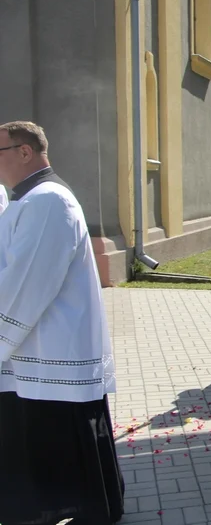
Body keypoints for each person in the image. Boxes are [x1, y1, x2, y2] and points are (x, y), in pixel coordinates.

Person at [0, 121, 124, 524]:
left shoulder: (48, 200)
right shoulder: (26, 199)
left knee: (63, 440)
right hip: (37, 348)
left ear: (24, 152)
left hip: (53, 347)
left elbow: (26, 283)